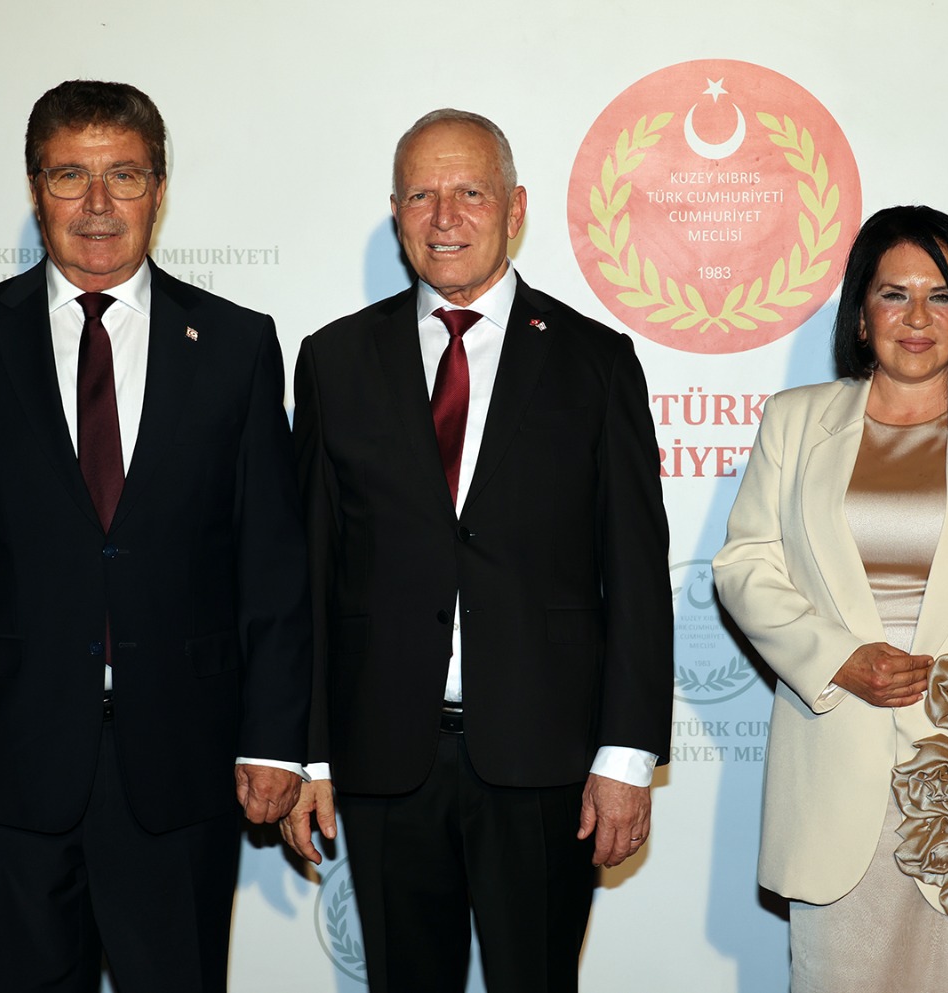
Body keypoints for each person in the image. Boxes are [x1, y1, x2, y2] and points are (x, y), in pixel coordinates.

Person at [0, 80, 311, 993]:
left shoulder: (236, 345)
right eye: (71, 175)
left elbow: (271, 564)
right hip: (13, 760)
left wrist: (274, 738)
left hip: (184, 763)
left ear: (160, 188)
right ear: (36, 188)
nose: (99, 202)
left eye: (125, 174)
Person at [280, 108, 673, 993]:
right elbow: (310, 570)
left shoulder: (595, 361)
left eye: (470, 192)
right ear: (396, 213)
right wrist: (310, 754)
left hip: (546, 760)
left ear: (515, 208)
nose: (445, 217)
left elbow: (636, 576)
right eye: (421, 195)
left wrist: (625, 757)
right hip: (384, 759)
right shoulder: (335, 360)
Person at [714, 205, 948, 992]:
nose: (917, 317)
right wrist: (839, 658)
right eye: (894, 294)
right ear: (861, 315)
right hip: (836, 770)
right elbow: (745, 564)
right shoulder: (795, 420)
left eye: (940, 295)